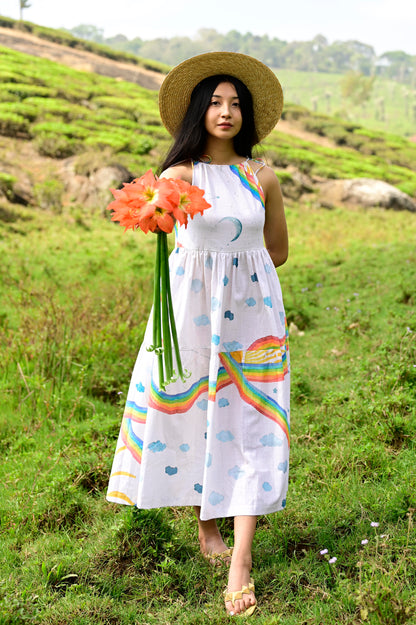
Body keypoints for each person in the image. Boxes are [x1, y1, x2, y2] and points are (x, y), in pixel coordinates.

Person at [107, 51, 290, 617]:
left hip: (252, 314)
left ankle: (240, 561)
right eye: (215, 102)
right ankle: (205, 521)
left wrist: (241, 268)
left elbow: (278, 250)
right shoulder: (179, 176)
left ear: (249, 115)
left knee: (252, 421)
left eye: (236, 104)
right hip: (192, 312)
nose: (227, 112)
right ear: (197, 111)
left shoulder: (262, 176)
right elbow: (158, 229)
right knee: (195, 411)